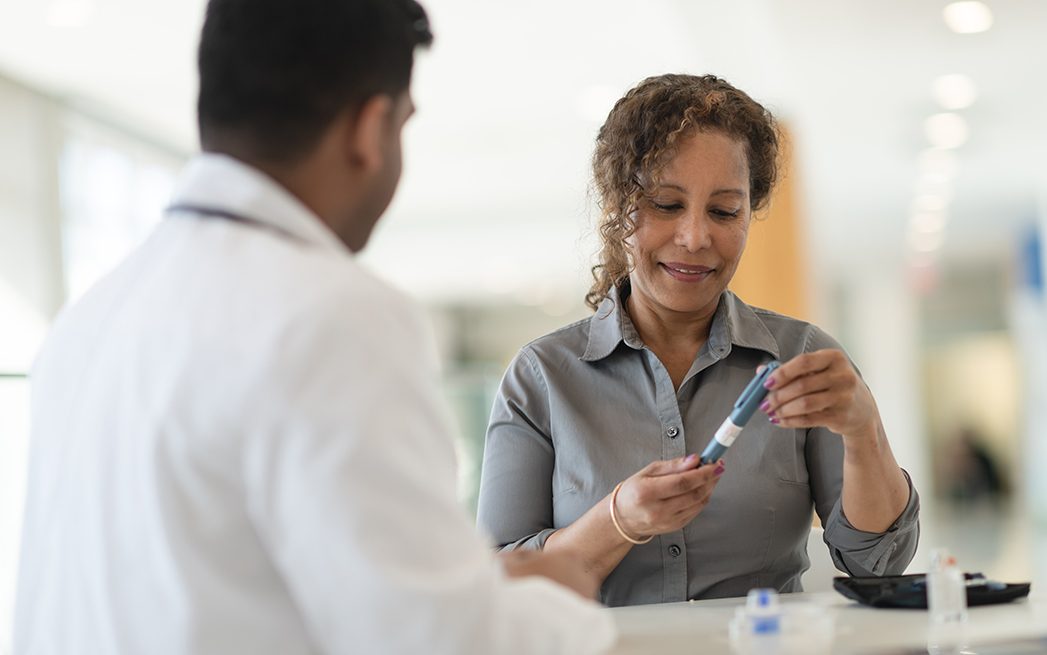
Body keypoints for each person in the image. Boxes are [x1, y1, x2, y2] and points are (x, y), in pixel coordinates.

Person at [13, 1, 616, 653]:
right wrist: (555, 598)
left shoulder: (89, 317)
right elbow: (438, 641)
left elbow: (218, 583)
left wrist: (468, 586)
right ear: (371, 126)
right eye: (402, 126)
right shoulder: (331, 314)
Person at [477, 74, 920, 607]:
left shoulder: (802, 356)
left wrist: (863, 428)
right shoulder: (541, 378)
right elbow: (503, 583)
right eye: (666, 204)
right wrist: (618, 519)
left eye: (724, 211)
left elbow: (878, 564)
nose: (695, 238)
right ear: (618, 210)